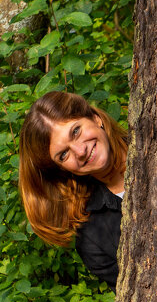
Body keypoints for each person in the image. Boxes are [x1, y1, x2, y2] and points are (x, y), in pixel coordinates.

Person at [18, 91, 129, 289]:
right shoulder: (92, 239)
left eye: (76, 131)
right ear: (62, 170)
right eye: (63, 155)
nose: (80, 151)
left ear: (95, 118)